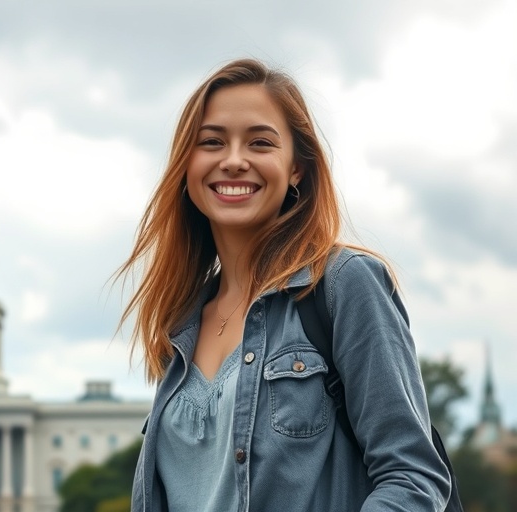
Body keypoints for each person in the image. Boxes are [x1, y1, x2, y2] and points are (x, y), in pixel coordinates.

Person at [116, 59, 452, 511]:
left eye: (260, 142)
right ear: (186, 165)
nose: (234, 161)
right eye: (212, 142)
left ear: (296, 167)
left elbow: (413, 476)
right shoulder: (181, 322)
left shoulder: (343, 284)